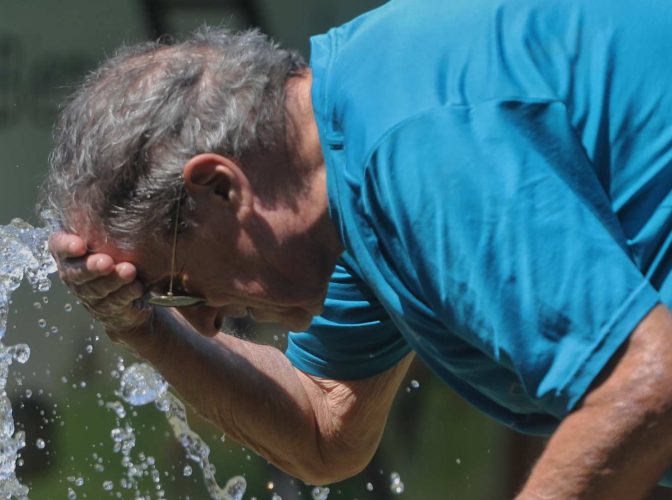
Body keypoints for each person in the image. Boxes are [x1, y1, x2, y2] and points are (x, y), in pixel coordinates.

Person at [41, 0, 672, 497]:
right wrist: (142, 327)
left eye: (176, 289)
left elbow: (647, 384)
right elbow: (323, 433)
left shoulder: (414, 146)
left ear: (218, 188)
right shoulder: (347, 166)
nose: (203, 321)